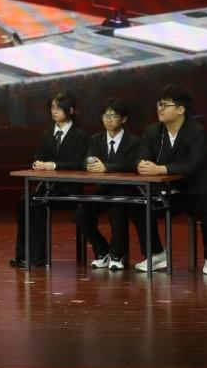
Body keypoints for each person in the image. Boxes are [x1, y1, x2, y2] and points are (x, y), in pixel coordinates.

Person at [135, 84, 207, 277]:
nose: (160, 109)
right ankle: (156, 254)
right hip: (169, 192)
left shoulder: (197, 132)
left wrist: (160, 169)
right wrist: (141, 165)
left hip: (197, 190)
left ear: (181, 110)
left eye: (165, 105)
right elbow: (140, 157)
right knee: (137, 204)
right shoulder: (152, 131)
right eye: (159, 104)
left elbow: (192, 165)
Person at [10, 90, 89, 268]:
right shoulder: (46, 135)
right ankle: (24, 254)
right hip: (47, 188)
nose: (54, 111)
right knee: (24, 202)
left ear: (71, 110)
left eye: (59, 108)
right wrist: (37, 163)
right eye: (52, 107)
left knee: (37, 204)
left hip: (68, 191)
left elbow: (79, 163)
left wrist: (54, 165)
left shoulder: (80, 136)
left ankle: (38, 257)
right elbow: (38, 156)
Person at [73, 97, 140, 271]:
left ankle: (117, 255)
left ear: (124, 119)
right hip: (104, 190)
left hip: (126, 190)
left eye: (114, 116)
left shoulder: (133, 141)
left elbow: (132, 165)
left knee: (118, 210)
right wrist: (89, 165)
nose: (108, 120)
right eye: (105, 116)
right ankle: (102, 251)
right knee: (81, 214)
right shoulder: (96, 139)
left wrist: (107, 167)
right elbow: (86, 159)